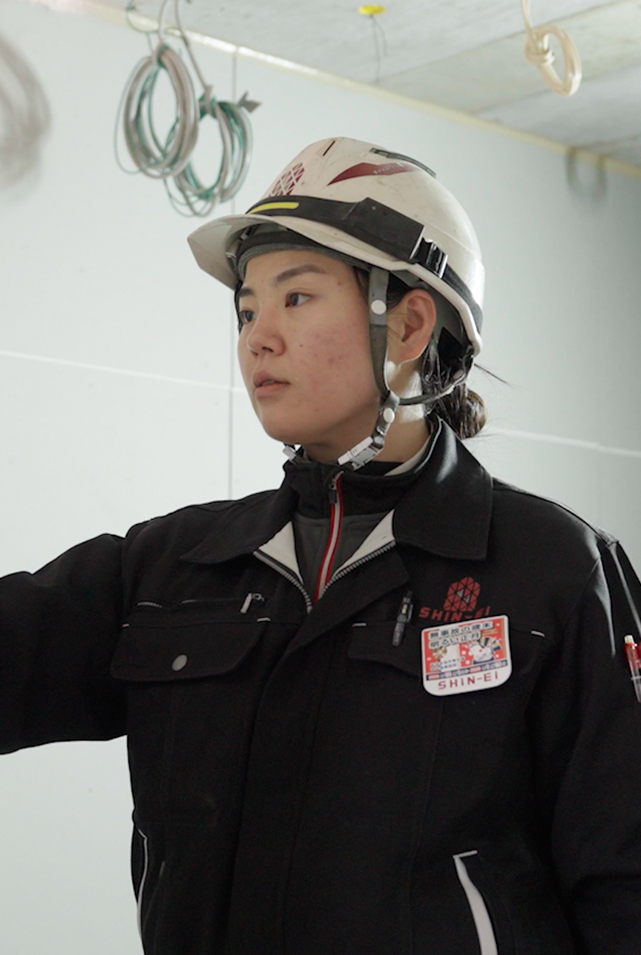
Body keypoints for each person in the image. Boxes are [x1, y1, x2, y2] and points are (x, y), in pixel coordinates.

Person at [1, 136, 641, 955]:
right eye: (246, 310)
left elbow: (623, 879)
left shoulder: (551, 570)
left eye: (296, 298)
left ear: (409, 323)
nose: (256, 338)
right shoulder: (172, 567)